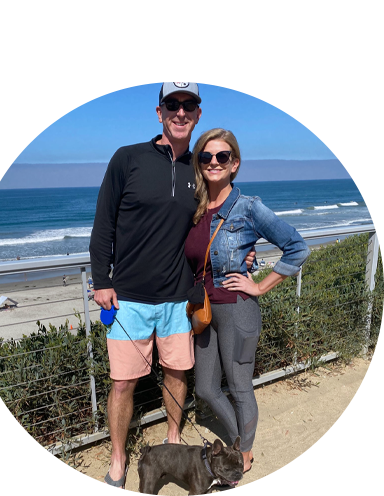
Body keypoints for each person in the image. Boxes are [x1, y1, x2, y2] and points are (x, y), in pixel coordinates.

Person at [89, 85, 255, 496]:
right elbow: (103, 222)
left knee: (177, 375)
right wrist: (102, 280)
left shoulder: (201, 170)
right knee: (123, 384)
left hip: (179, 300)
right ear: (159, 111)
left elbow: (217, 223)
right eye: (172, 104)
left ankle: (174, 439)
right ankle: (118, 459)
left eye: (189, 105)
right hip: (127, 298)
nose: (180, 112)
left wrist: (243, 258)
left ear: (198, 114)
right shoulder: (127, 158)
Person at [184, 128, 310, 475]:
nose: (213, 162)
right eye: (206, 156)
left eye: (222, 156)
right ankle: (239, 439)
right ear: (199, 162)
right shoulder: (193, 207)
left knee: (239, 387)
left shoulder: (248, 207)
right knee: (207, 389)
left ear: (234, 164)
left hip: (239, 309)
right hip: (204, 311)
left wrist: (260, 286)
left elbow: (298, 247)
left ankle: (243, 451)